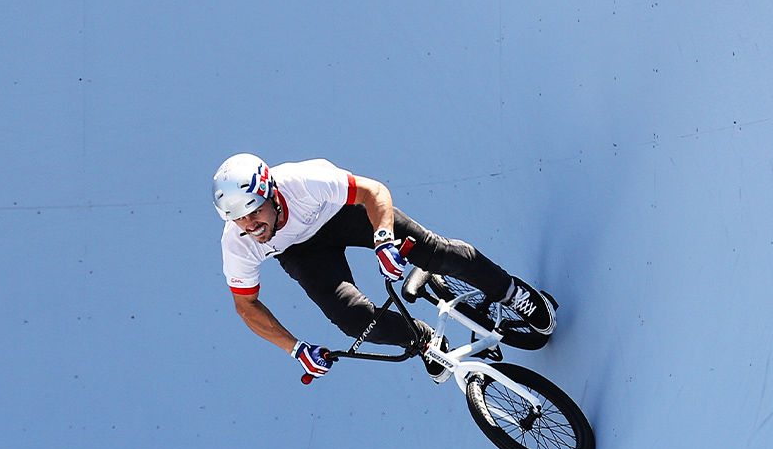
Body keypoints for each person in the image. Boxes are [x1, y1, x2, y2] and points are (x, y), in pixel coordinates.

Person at [213, 154, 556, 380]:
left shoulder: (302, 182)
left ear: (272, 193)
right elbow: (245, 306)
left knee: (433, 253)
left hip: (341, 213)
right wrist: (295, 348)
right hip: (301, 252)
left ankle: (510, 292)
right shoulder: (238, 242)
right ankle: (423, 340)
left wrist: (383, 240)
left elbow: (373, 191)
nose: (250, 224)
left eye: (255, 210)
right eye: (239, 218)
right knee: (353, 320)